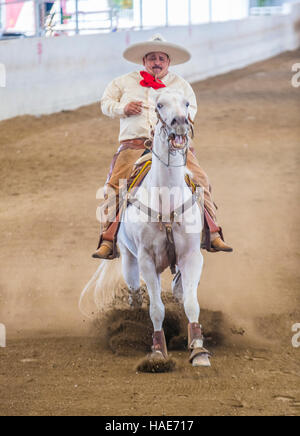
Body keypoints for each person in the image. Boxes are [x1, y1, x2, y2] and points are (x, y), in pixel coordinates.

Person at [93, 34, 233, 259]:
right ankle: (108, 238)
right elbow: (105, 102)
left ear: (168, 62)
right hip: (135, 145)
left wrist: (177, 124)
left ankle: (212, 230)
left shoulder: (181, 86)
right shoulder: (123, 82)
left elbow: (191, 110)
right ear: (144, 61)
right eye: (152, 58)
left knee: (201, 180)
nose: (156, 62)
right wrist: (123, 108)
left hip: (174, 146)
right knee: (115, 186)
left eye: (161, 58)